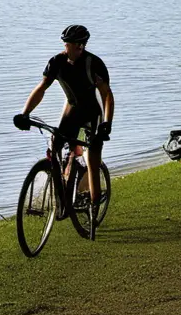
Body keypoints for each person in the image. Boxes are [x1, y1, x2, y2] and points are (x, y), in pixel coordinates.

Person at [13, 24, 114, 208]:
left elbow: (107, 95)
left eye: (71, 44)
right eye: (65, 43)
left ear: (81, 46)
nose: (67, 47)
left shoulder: (93, 63)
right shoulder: (56, 62)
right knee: (56, 144)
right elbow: (42, 88)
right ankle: (62, 199)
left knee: (92, 156)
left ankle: (94, 204)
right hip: (72, 109)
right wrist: (25, 114)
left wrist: (107, 123)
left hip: (92, 113)